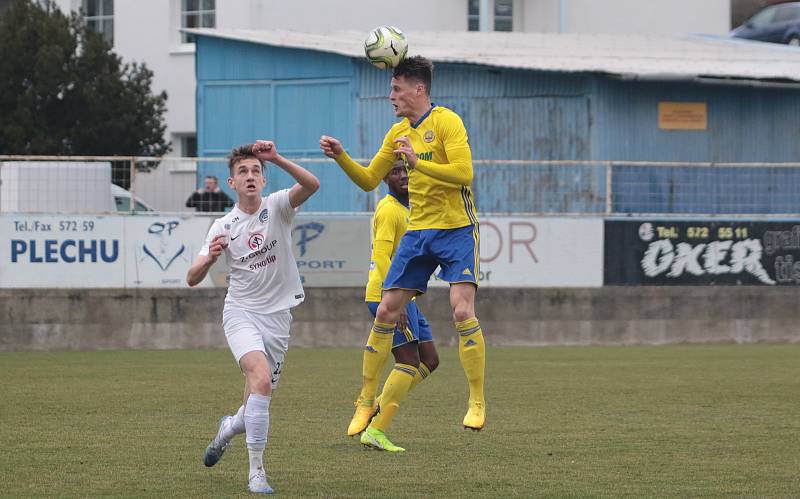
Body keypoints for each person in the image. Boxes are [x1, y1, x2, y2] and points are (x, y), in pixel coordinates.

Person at [320, 56, 487, 439]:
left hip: (457, 229)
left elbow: (464, 174)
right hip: (419, 233)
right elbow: (367, 180)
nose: (390, 96)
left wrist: (417, 162)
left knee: (462, 311)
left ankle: (476, 400)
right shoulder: (396, 133)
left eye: (396, 89)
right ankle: (365, 399)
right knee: (386, 310)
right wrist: (342, 156)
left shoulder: (447, 121)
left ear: (419, 90)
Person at [186, 140, 319, 494]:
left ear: (262, 180)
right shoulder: (223, 225)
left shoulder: (277, 207)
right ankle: (256, 472)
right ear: (232, 182)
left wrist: (276, 157)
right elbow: (192, 277)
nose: (250, 176)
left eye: (256, 171)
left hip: (278, 318)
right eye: (242, 171)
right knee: (260, 380)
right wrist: (210, 259)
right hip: (241, 312)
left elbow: (311, 184)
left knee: (258, 399)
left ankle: (228, 429)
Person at [358, 161, 440, 452]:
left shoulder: (413, 207)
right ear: (384, 178)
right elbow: (381, 257)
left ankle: (376, 407)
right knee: (407, 362)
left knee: (429, 360)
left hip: (406, 297)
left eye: (406, 170)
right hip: (389, 296)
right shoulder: (389, 209)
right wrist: (391, 299)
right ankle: (376, 429)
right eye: (395, 171)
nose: (403, 175)